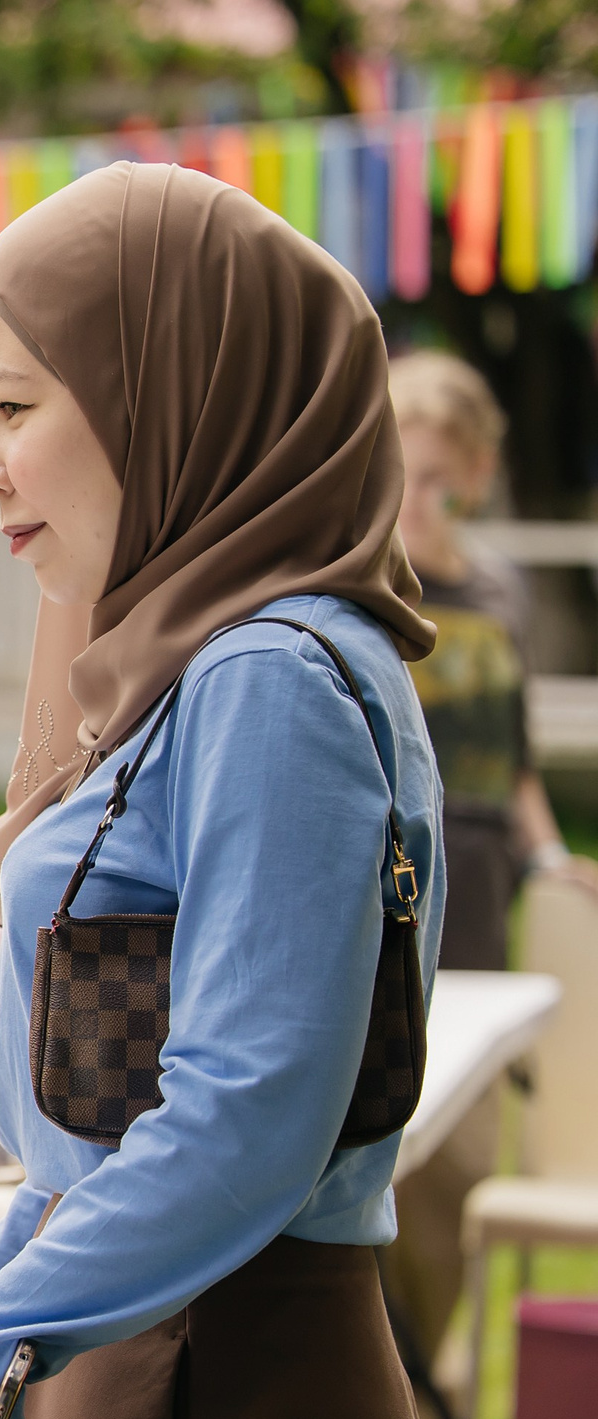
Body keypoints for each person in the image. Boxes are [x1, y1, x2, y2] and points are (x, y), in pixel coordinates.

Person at [0, 163, 453, 1419]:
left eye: (18, 407)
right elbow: (101, 1134)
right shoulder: (241, 656)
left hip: (212, 1381)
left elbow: (248, 1117)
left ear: (167, 395)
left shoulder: (271, 677)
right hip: (148, 1348)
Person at [381, 352, 598, 1367]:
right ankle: (394, 1390)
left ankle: (432, 1389)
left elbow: (507, 762)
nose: (419, 499)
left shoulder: (501, 592)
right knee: (386, 1140)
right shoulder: (357, 583)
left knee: (462, 1160)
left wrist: (551, 855)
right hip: (387, 881)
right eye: (401, 472)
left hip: (480, 886)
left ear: (474, 470)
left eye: (439, 477)